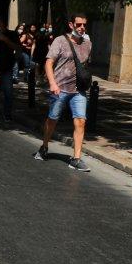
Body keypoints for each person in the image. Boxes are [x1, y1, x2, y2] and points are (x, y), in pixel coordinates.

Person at [34, 13, 93, 171]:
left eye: (84, 25)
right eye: (79, 24)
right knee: (52, 119)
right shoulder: (60, 41)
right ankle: (44, 146)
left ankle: (76, 158)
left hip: (78, 90)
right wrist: (52, 83)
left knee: (80, 121)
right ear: (71, 25)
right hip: (60, 88)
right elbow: (49, 63)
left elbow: (85, 65)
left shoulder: (88, 44)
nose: (82, 28)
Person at [0, 17, 19, 122]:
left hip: (7, 67)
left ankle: (7, 114)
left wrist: (5, 40)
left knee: (8, 92)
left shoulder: (12, 34)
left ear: (2, 23)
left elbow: (17, 48)